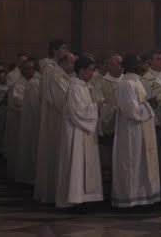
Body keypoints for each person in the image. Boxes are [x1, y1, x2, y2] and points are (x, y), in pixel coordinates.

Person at [112, 54, 160, 207]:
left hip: (142, 131)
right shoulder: (126, 84)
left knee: (143, 163)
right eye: (141, 63)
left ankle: (145, 197)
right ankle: (130, 200)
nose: (144, 65)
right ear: (133, 66)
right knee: (132, 164)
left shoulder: (136, 81)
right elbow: (131, 111)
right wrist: (149, 106)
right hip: (132, 132)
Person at [55, 56, 104, 208]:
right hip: (76, 134)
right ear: (81, 71)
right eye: (90, 70)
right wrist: (96, 107)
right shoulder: (75, 88)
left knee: (85, 165)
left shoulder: (83, 87)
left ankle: (86, 198)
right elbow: (77, 112)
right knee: (77, 165)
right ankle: (75, 199)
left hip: (85, 132)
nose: (92, 73)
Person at [34, 52, 75, 203]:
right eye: (71, 63)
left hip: (64, 122)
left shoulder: (64, 75)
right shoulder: (56, 76)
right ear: (63, 62)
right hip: (57, 122)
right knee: (56, 156)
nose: (73, 66)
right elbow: (61, 101)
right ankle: (54, 193)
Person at [15, 58, 42, 184]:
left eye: (32, 68)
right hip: (26, 119)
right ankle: (25, 176)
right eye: (27, 68)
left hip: (35, 118)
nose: (30, 71)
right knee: (26, 147)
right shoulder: (19, 84)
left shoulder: (37, 82)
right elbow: (17, 101)